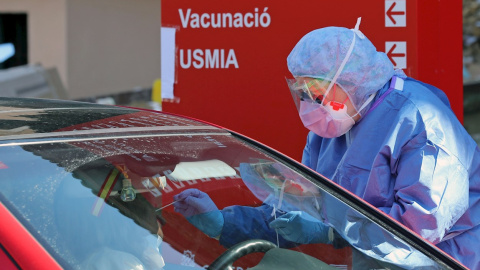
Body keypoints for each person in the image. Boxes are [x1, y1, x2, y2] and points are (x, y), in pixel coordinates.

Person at [174, 18, 480, 270]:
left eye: (316, 92)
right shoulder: (330, 129)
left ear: (352, 81)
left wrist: (329, 229)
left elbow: (418, 232)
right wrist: (222, 223)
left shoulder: (419, 121)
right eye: (302, 92)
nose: (309, 104)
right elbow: (302, 203)